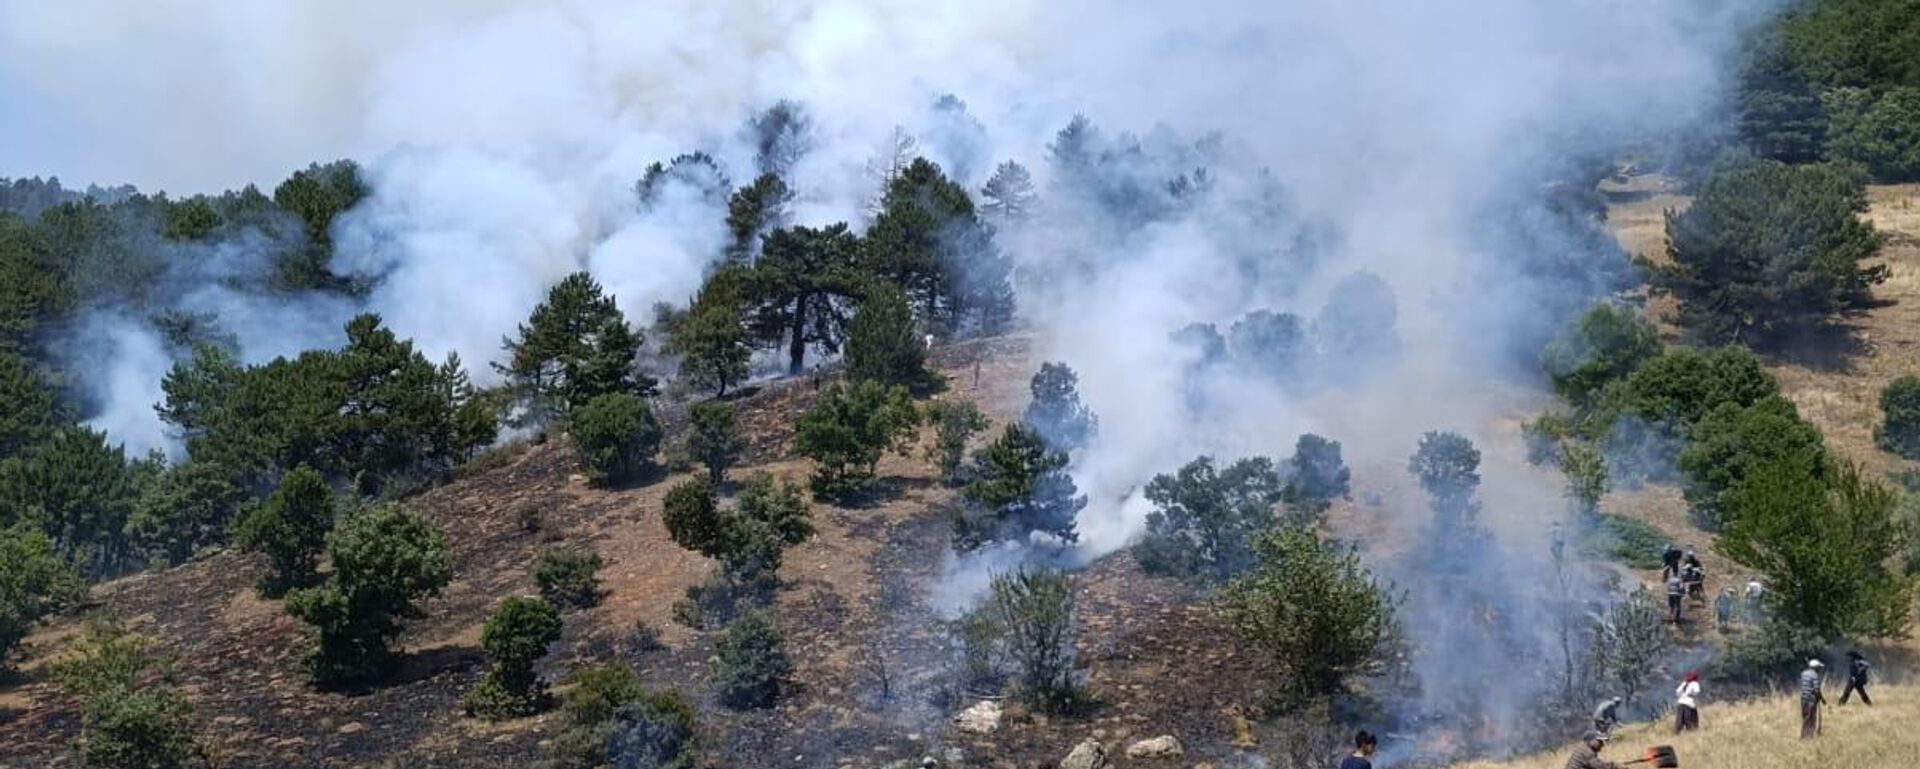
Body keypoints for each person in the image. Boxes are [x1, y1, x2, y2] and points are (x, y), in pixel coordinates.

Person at [1800, 659, 1826, 739]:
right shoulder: (1815, 675)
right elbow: (1816, 690)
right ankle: (1808, 736)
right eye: (1818, 667)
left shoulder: (1803, 673)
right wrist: (1821, 699)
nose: (1819, 669)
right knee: (1811, 718)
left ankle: (1804, 734)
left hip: (1803, 698)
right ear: (1816, 667)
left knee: (1805, 717)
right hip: (1811, 699)